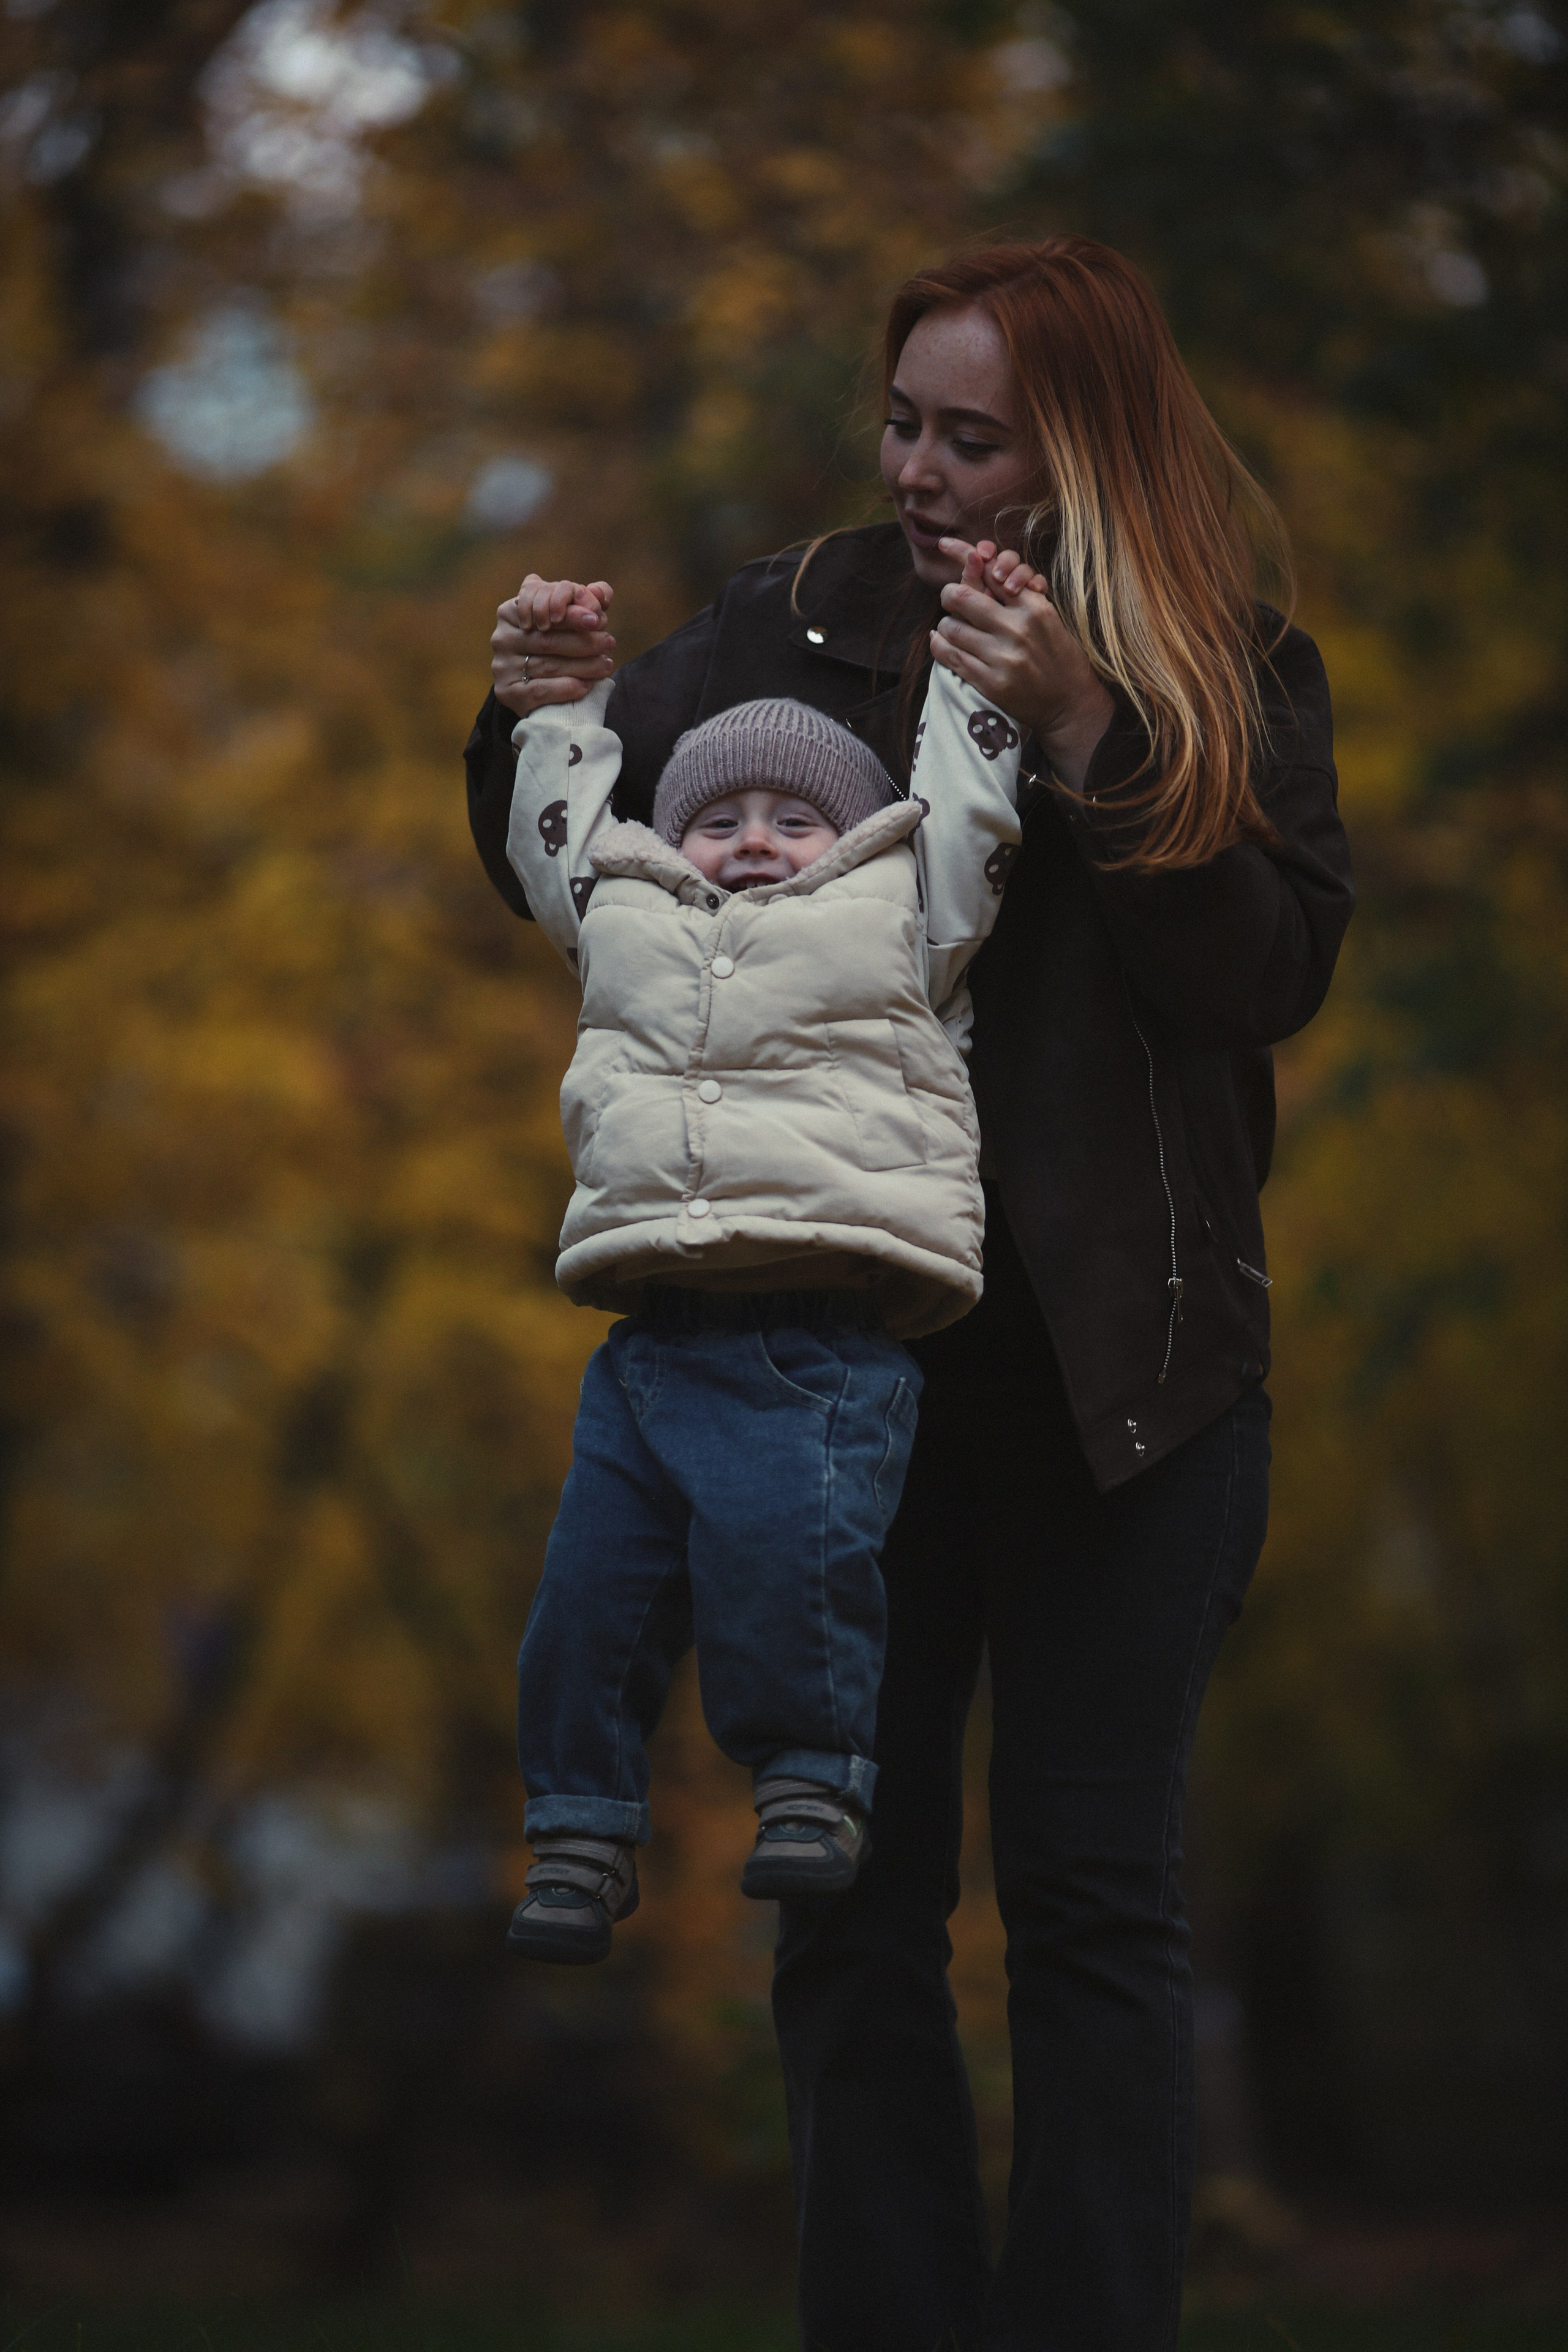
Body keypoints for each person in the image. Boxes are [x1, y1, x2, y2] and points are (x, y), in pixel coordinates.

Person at [465, 236, 1354, 2351]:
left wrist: (1089, 735)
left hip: (1133, 1390)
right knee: (849, 1915)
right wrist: (522, 706)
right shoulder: (793, 619)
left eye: (981, 440)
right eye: (907, 427)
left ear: (1092, 448)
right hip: (834, 1380)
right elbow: (578, 860)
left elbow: (1265, 975)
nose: (928, 476)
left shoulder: (1227, 658)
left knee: (1092, 1910)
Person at [501, 602, 1030, 1963]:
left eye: (792, 819)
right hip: (644, 1340)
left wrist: (980, 669)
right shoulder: (629, 918)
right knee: (585, 1601)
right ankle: (575, 1827)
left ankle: (809, 1778)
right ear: (669, 840)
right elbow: (550, 835)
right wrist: (561, 710)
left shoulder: (898, 921)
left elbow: (969, 812)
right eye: (715, 816)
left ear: (849, 839)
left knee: (784, 1564)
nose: (749, 840)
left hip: (813, 1328)